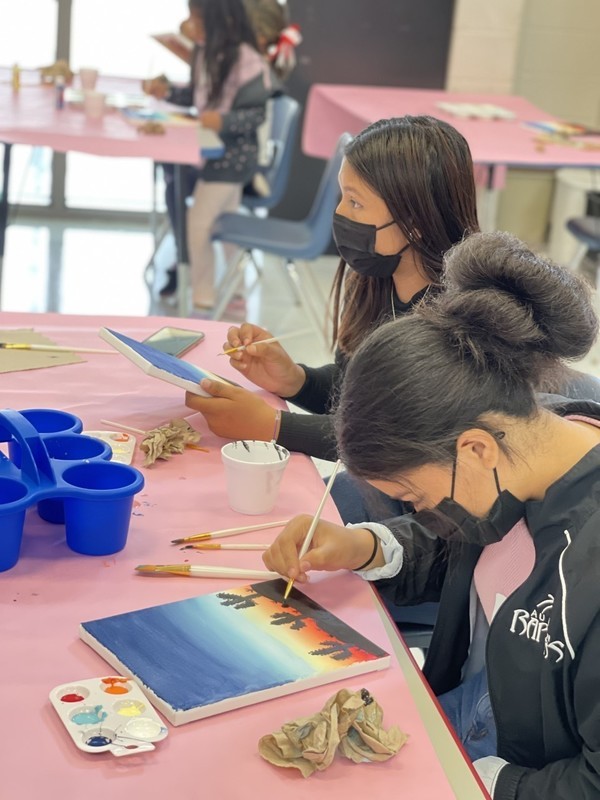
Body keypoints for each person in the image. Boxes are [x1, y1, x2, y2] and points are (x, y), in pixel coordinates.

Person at [262, 230, 600, 798]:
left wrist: (476, 780)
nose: (424, 512)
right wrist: (364, 547)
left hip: (523, 774)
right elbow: (480, 553)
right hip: (475, 708)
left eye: (415, 498)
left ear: (476, 449)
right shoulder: (527, 434)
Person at [185, 115, 481, 519]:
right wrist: (295, 380)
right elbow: (359, 394)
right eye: (343, 196)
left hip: (425, 522)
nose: (339, 212)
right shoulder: (380, 279)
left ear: (413, 224)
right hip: (379, 488)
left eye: (355, 203)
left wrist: (273, 426)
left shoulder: (452, 324)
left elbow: (391, 441)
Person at [144, 0, 298, 299]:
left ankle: (203, 299)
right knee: (221, 221)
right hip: (213, 155)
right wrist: (168, 92)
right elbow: (197, 95)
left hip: (232, 160)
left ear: (223, 21)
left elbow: (256, 114)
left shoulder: (247, 60)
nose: (191, 26)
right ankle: (234, 296)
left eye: (197, 20)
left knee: (198, 224)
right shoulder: (203, 52)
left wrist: (223, 121)